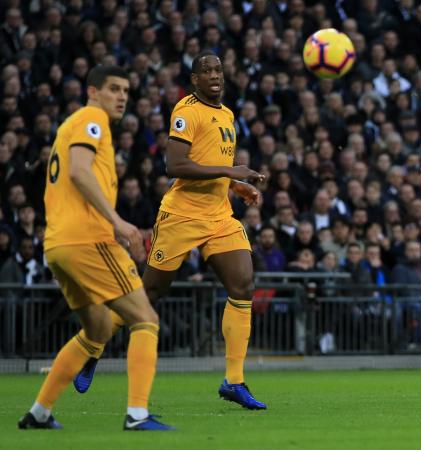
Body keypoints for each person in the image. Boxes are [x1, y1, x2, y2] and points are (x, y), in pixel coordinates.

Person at [71, 52, 268, 410]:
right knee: (149, 294)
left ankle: (234, 380)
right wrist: (232, 171)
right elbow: (175, 165)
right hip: (181, 217)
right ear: (194, 80)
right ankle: (92, 347)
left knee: (243, 286)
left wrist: (234, 184)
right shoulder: (186, 111)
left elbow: (214, 166)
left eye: (218, 70)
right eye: (206, 71)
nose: (214, 76)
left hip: (220, 217)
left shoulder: (227, 115)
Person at [19, 65, 172, 430]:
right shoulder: (91, 118)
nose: (121, 96)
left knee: (99, 329)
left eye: (126, 90)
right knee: (145, 319)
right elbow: (79, 172)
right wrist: (116, 221)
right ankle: (137, 414)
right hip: (87, 239)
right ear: (92, 92)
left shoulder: (69, 126)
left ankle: (39, 413)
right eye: (114, 88)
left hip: (58, 245)